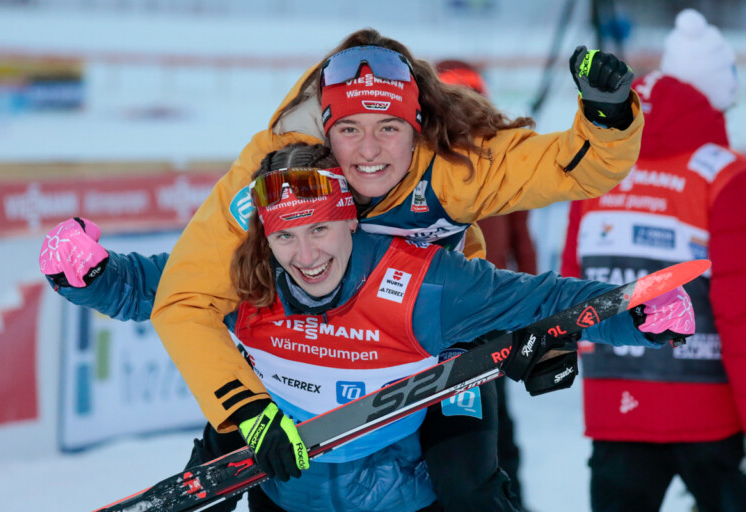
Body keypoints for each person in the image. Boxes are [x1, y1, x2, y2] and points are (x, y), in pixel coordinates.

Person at [42, 143, 693, 512]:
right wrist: (87, 274)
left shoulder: (425, 284)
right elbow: (149, 288)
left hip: (403, 490)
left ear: (350, 219)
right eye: (286, 236)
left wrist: (638, 313)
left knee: (472, 489)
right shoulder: (244, 277)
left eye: (320, 229)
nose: (306, 256)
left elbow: (544, 300)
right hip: (287, 485)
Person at [147, 29, 644, 511]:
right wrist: (247, 409)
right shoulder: (281, 171)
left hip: (437, 337)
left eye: (388, 127)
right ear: (325, 129)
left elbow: (570, 166)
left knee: (468, 486)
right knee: (271, 467)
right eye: (349, 130)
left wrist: (608, 114)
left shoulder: (453, 164)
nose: (369, 151)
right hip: (309, 349)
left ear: (417, 127)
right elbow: (187, 293)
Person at [560, 9, 746, 512]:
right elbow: (739, 312)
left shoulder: (600, 167)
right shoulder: (725, 174)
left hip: (614, 404)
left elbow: (569, 284)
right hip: (708, 411)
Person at [435, 58, 536, 509]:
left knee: (489, 426)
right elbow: (523, 245)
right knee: (483, 426)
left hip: (481, 316)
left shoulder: (495, 162)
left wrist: (534, 312)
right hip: (448, 320)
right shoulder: (422, 161)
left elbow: (522, 243)